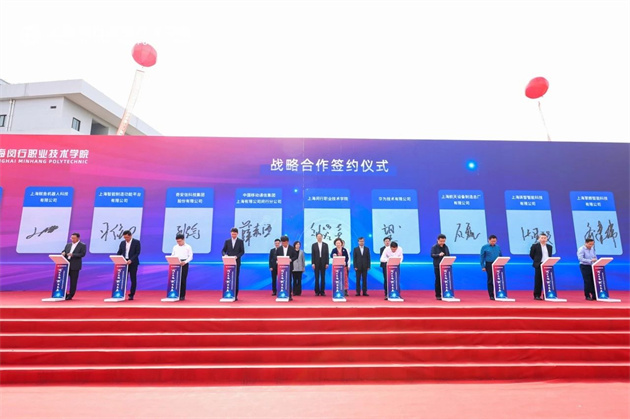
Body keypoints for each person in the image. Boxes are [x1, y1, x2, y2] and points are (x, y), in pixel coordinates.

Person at [61, 232, 86, 300]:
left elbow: (82, 254)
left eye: (74, 238)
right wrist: (63, 253)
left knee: (73, 281)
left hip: (75, 265)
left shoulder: (82, 245)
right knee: (63, 280)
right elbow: (64, 251)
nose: (72, 239)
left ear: (78, 238)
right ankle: (64, 294)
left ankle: (71, 295)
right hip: (66, 264)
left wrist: (73, 255)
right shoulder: (68, 245)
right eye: (71, 238)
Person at [117, 230, 141, 300]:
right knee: (123, 279)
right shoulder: (122, 243)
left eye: (127, 237)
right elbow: (119, 252)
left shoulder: (136, 242)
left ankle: (131, 294)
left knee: (133, 279)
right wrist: (117, 258)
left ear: (130, 236)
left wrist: (131, 260)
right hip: (124, 262)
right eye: (124, 237)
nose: (126, 239)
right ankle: (121, 293)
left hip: (133, 263)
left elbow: (137, 253)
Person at [222, 227, 245, 300]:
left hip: (236, 262)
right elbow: (223, 250)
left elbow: (242, 251)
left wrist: (236, 256)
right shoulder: (227, 241)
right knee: (228, 278)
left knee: (235, 278)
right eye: (232, 234)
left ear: (237, 234)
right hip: (228, 263)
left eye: (235, 234)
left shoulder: (240, 241)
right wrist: (225, 255)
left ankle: (235, 295)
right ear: (230, 233)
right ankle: (227, 294)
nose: (233, 235)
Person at [529, 233, 553, 300]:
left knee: (547, 281)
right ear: (539, 239)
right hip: (539, 264)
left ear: (547, 239)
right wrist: (537, 261)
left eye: (545, 238)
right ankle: (537, 295)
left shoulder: (550, 247)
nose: (543, 239)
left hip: (547, 265)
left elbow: (550, 255)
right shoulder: (535, 246)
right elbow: (531, 255)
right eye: (542, 238)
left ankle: (547, 295)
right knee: (538, 280)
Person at [170, 233, 193, 300]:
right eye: (177, 241)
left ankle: (182, 295)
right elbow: (173, 255)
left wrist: (185, 262)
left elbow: (190, 257)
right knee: (175, 279)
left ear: (183, 240)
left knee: (183, 279)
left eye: (180, 241)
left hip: (184, 263)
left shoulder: (188, 247)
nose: (178, 243)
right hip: (176, 263)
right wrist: (172, 259)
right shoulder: (175, 247)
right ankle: (175, 294)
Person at [480, 235, 502, 300]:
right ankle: (491, 295)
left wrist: (501, 262)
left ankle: (499, 294)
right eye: (492, 241)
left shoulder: (498, 247)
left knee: (498, 280)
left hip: (497, 264)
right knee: (490, 280)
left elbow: (500, 255)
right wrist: (483, 266)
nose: (493, 242)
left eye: (494, 241)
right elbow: (482, 257)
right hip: (489, 264)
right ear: (488, 240)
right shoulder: (484, 247)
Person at [430, 234, 450, 300]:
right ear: (438, 240)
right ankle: (438, 295)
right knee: (438, 280)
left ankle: (446, 293)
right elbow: (432, 255)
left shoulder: (446, 247)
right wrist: (439, 255)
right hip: (437, 266)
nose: (442, 242)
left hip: (445, 266)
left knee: (445, 280)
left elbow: (448, 255)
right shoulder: (434, 247)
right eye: (441, 241)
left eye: (443, 241)